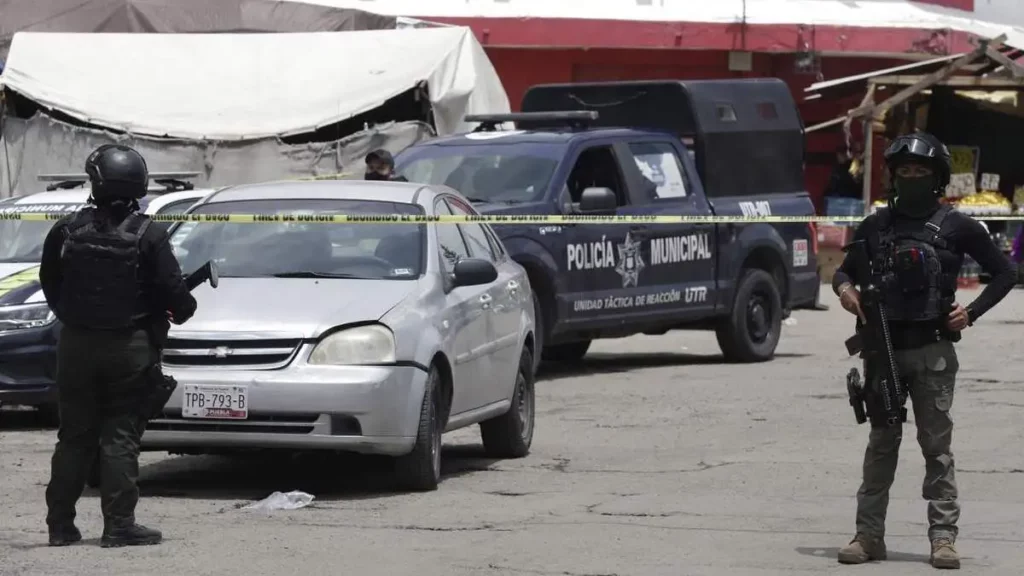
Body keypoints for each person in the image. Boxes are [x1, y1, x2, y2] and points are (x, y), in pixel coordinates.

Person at [831, 132, 1015, 569]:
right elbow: (844, 270)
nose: (912, 177)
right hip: (882, 351)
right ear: (893, 176)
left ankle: (943, 538)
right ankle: (868, 536)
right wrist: (844, 291)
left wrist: (970, 313)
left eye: (921, 171)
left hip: (932, 352)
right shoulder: (876, 225)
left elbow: (1005, 272)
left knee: (937, 449)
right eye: (905, 170)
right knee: (881, 445)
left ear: (937, 177)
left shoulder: (958, 225)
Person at [39, 144, 197, 548]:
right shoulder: (150, 234)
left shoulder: (66, 230)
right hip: (130, 347)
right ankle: (119, 526)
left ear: (96, 182)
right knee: (120, 437)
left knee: (73, 436)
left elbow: (50, 283)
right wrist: (182, 308)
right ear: (139, 185)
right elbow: (177, 298)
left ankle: (60, 526)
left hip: (76, 345)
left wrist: (76, 318)